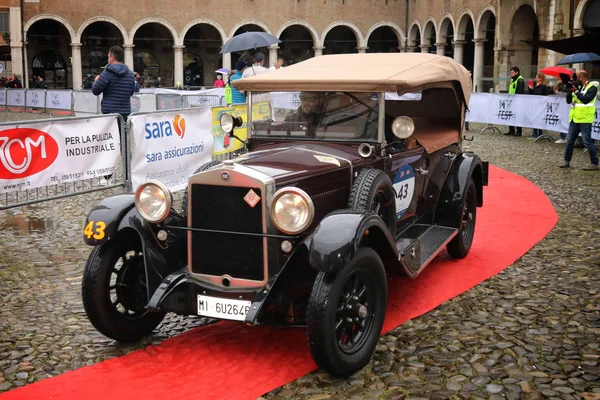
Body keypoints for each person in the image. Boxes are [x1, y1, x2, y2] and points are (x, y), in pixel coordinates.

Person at [92, 45, 137, 182]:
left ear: (111, 57)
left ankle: (107, 177)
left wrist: (96, 81)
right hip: (124, 113)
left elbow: (96, 90)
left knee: (109, 146)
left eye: (108, 56)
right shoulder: (130, 74)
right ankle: (129, 175)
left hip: (110, 114)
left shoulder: (107, 72)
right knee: (124, 145)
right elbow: (131, 92)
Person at [559, 70, 599, 171]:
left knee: (587, 141)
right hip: (575, 118)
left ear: (581, 77)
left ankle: (594, 163)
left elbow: (586, 100)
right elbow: (569, 101)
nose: (574, 79)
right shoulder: (578, 86)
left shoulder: (592, 87)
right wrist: (569, 91)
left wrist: (575, 91)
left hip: (585, 119)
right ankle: (566, 161)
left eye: (576, 77)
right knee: (570, 141)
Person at [527, 72, 553, 138]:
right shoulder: (537, 86)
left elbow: (540, 93)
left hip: (541, 105)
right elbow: (533, 94)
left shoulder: (543, 86)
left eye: (537, 78)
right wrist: (531, 89)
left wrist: (534, 90)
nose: (536, 79)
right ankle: (535, 132)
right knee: (535, 118)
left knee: (539, 119)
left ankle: (539, 132)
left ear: (540, 79)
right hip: (536, 105)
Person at [504, 66, 525, 136]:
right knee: (510, 115)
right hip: (511, 100)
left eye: (512, 72)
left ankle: (519, 131)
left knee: (517, 116)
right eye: (511, 72)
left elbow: (519, 91)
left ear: (517, 72)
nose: (511, 73)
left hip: (517, 101)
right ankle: (511, 130)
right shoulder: (513, 80)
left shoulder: (520, 80)